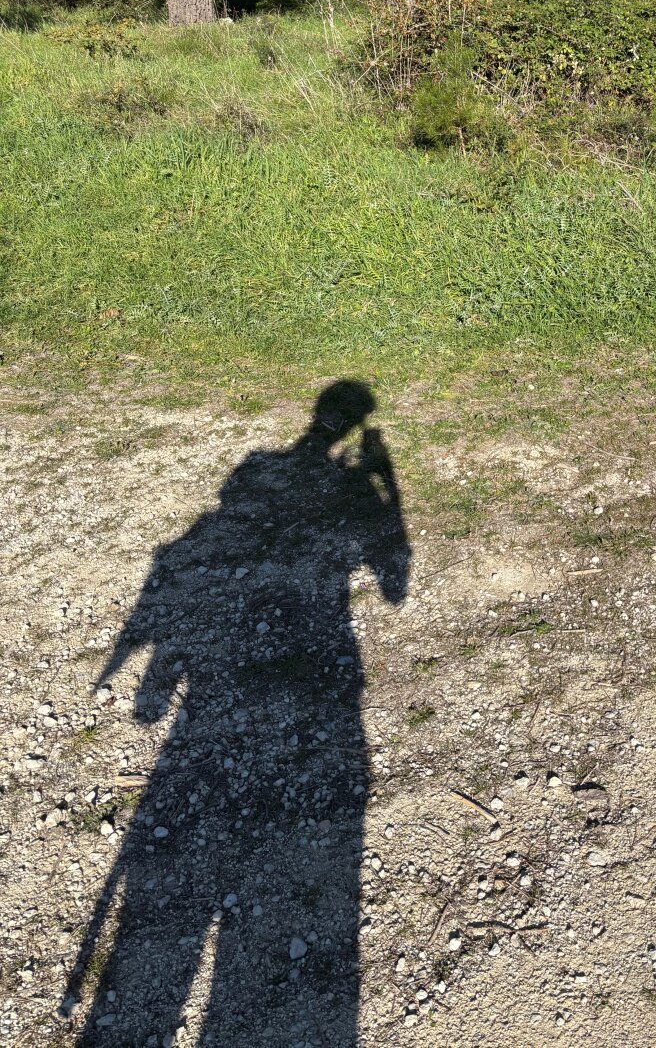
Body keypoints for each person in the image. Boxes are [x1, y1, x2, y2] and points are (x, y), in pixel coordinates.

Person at [65, 381, 410, 1046]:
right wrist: (385, 487)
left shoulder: (255, 470)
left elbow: (189, 555)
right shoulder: (339, 486)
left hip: (228, 688)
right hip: (317, 684)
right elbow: (394, 584)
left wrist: (156, 675)